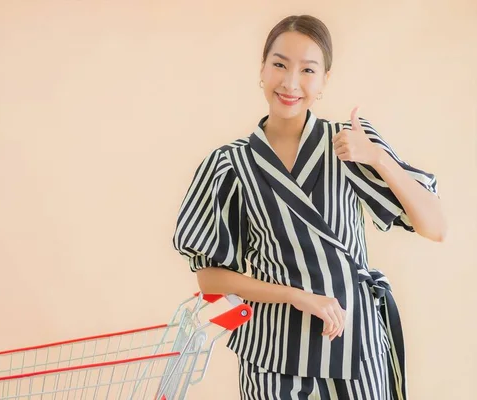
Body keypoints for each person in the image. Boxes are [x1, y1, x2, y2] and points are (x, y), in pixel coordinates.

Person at [172, 14, 446, 400]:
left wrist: (379, 159)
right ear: (262, 69)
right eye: (280, 64)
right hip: (271, 351)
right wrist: (296, 295)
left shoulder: (348, 143)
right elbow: (210, 278)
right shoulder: (229, 164)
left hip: (354, 343)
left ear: (324, 81)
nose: (290, 82)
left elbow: (435, 226)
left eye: (307, 70)